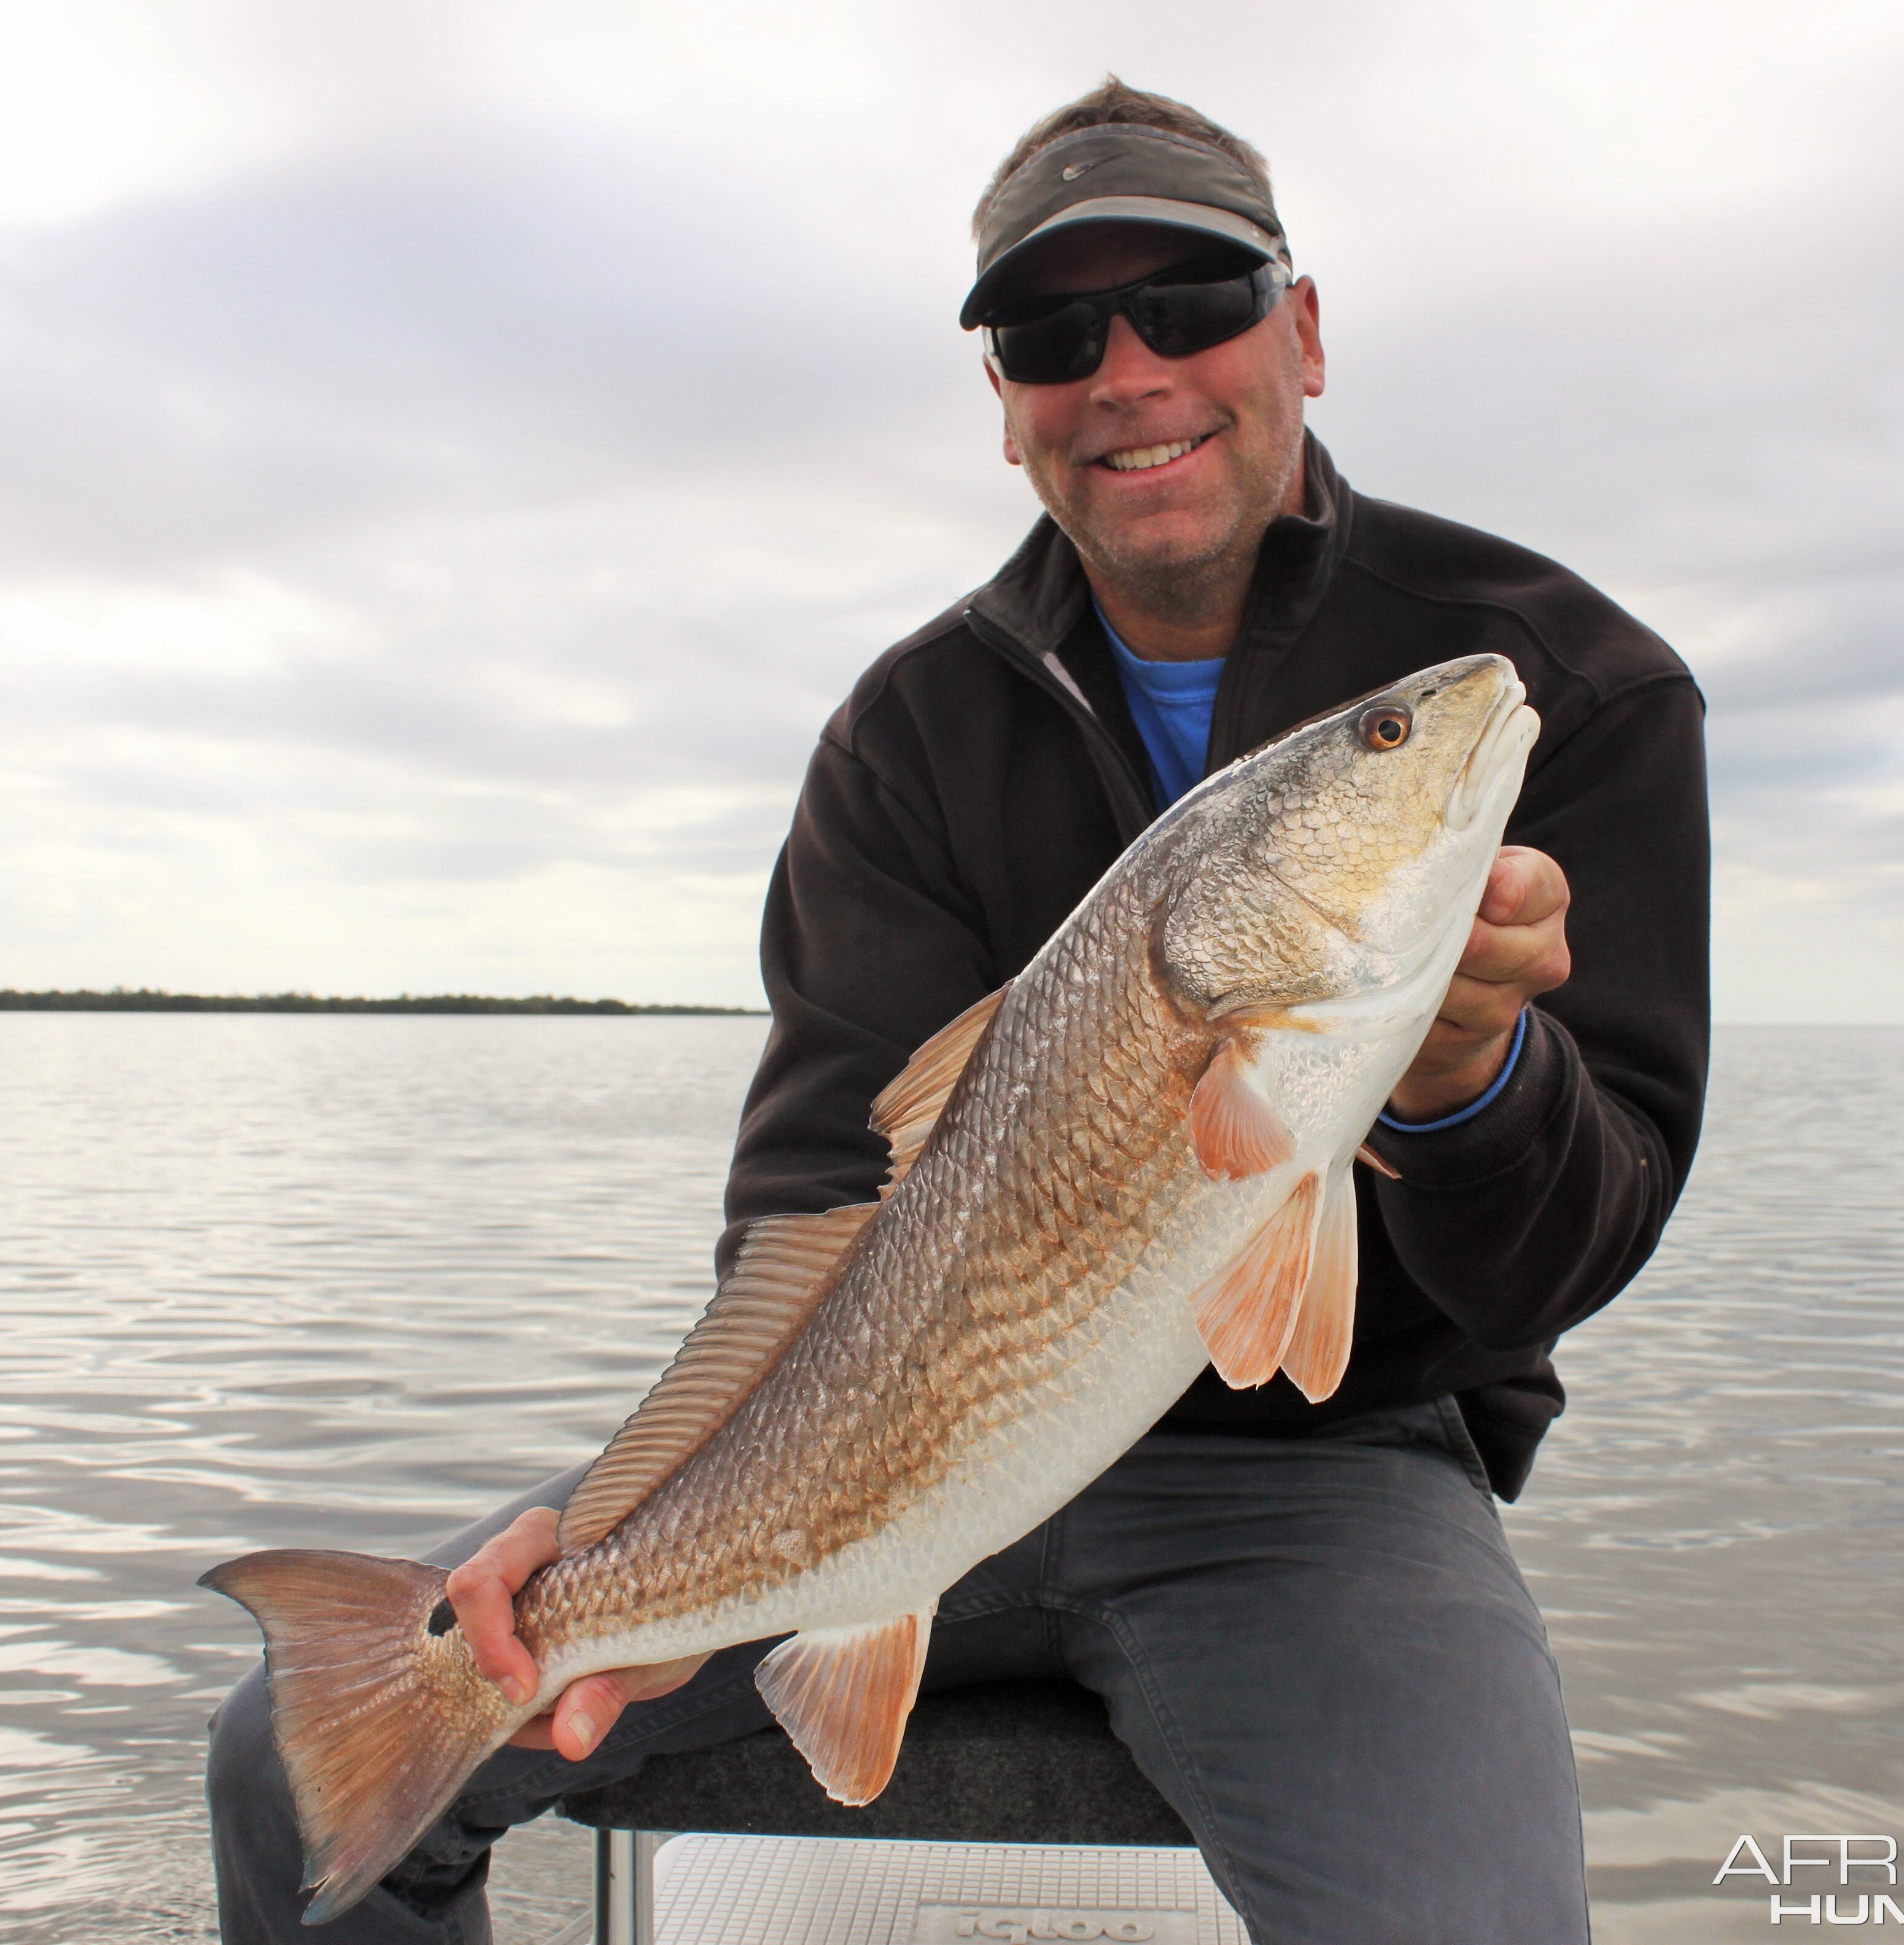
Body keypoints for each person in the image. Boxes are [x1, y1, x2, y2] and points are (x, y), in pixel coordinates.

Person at [207, 79, 1709, 1944]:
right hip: (891, 1453)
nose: (1128, 369)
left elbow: (1577, 1242)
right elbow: (817, 1207)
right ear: (1003, 404)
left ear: (1303, 329)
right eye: (1051, 333)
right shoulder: (905, 734)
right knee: (288, 1772)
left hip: (1324, 1484)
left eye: (1194, 300)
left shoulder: (1559, 681)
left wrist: (1471, 1077)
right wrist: (615, 1543)